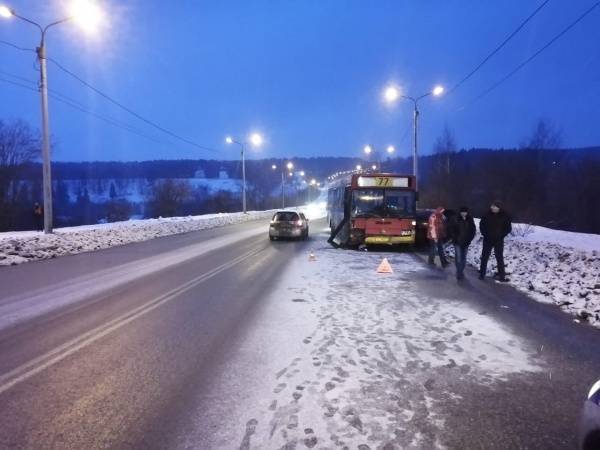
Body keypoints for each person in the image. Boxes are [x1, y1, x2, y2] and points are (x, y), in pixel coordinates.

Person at [479, 200, 512, 281]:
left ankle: (502, 276)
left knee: (499, 257)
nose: (492, 208)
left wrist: (501, 235)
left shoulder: (504, 216)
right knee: (484, 257)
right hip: (487, 239)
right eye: (492, 206)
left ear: (498, 208)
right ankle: (482, 274)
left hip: (498, 240)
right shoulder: (486, 214)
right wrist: (485, 234)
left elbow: (508, 228)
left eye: (494, 207)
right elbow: (481, 225)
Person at [448, 206, 476, 280]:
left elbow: (473, 230)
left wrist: (470, 239)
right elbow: (451, 229)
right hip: (457, 242)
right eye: (462, 212)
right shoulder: (455, 219)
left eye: (465, 212)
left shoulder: (470, 219)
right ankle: (459, 272)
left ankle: (461, 270)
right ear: (460, 212)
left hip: (466, 242)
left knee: (464, 258)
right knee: (458, 257)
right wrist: (454, 237)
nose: (464, 213)